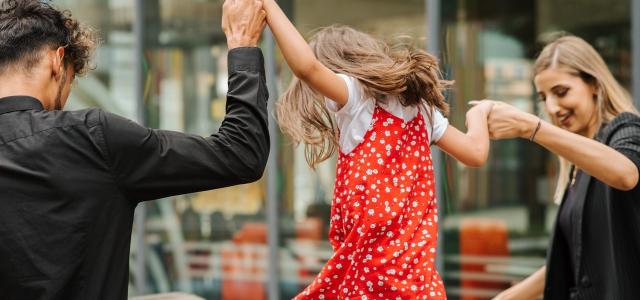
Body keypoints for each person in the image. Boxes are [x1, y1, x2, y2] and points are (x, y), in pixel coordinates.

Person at [0, 0, 268, 299]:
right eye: (71, 80)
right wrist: (242, 46)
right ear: (56, 61)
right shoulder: (93, 138)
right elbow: (241, 153)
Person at [263, 1, 493, 298]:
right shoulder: (422, 110)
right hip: (418, 284)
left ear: (342, 69)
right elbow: (476, 153)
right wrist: (480, 114)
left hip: (371, 281)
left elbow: (306, 67)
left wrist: (267, 4)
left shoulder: (357, 98)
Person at [475, 35, 640, 300]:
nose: (552, 107)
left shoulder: (624, 128)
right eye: (543, 97)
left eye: (561, 92)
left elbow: (626, 174)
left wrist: (531, 127)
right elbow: (568, 262)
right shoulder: (579, 163)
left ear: (594, 85)